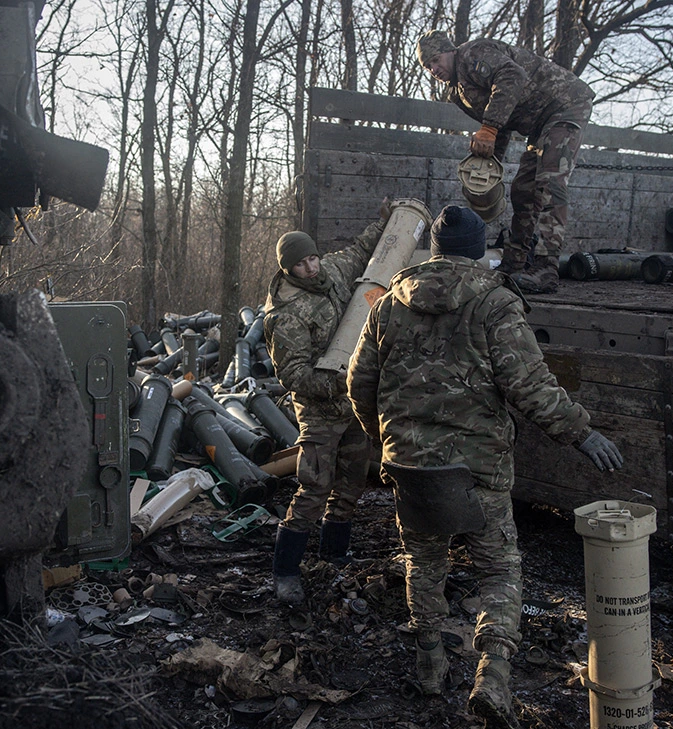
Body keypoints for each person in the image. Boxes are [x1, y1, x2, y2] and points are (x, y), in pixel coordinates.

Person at [346, 205, 623, 727]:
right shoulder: (495, 304)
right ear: (479, 251)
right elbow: (531, 387)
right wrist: (581, 433)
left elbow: (358, 383)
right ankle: (493, 674)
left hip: (410, 466)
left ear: (433, 248)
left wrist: (387, 442)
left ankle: (430, 661)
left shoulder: (387, 305)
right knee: (498, 569)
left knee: (423, 563)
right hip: (478, 472)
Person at [262, 199, 398, 605]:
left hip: (351, 405)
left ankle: (333, 556)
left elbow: (359, 251)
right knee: (313, 489)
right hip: (320, 410)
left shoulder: (333, 271)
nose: (312, 268)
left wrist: (385, 220)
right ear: (289, 268)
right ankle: (285, 571)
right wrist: (341, 382)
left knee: (352, 484)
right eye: (302, 264)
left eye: (314, 259)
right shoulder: (285, 314)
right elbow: (293, 377)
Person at [416, 29, 595, 294]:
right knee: (523, 191)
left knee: (549, 183)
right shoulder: (457, 92)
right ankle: (514, 263)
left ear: (450, 51)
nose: (433, 68)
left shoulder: (472, 54)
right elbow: (500, 120)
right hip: (537, 124)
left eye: (435, 59)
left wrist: (488, 128)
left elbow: (513, 77)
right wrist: (490, 165)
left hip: (564, 104)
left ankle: (546, 268)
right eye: (427, 65)